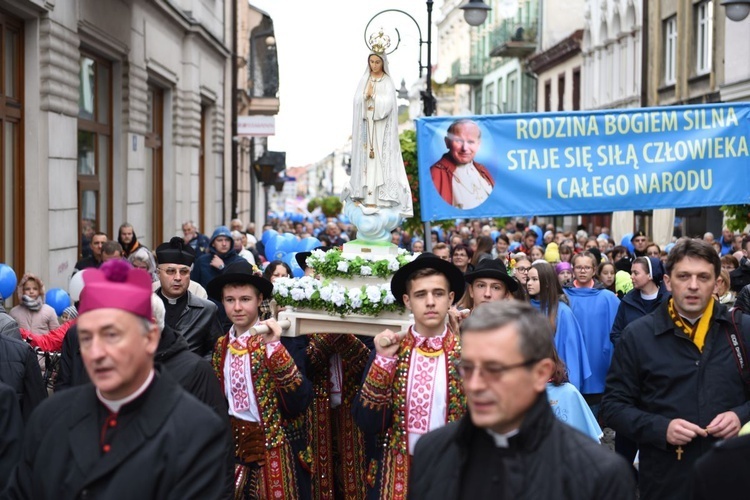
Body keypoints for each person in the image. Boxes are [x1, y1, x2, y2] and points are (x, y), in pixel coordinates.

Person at [6, 260, 231, 499]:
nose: (97, 352)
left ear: (150, 338)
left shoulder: (196, 431)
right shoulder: (49, 418)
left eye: (112, 335)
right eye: (86, 337)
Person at [408, 301, 635, 500]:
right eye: (468, 368)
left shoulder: (599, 473)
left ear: (539, 373)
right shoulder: (433, 451)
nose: (475, 384)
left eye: (494, 369)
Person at [601, 238, 750, 500]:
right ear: (668, 281)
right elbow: (613, 405)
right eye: (684, 276)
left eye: (703, 277)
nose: (693, 285)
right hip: (666, 480)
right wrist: (660, 428)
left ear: (717, 283)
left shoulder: (741, 329)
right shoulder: (638, 335)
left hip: (734, 477)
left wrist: (741, 415)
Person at [352, 253, 467, 499]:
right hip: (395, 474)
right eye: (420, 294)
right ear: (407, 301)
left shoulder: (467, 355)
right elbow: (367, 422)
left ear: (450, 299)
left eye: (437, 293)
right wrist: (383, 363)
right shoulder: (389, 351)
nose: (430, 302)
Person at [208, 260, 313, 499]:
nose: (237, 307)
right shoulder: (221, 346)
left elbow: (300, 399)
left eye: (245, 299)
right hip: (235, 451)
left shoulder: (278, 340)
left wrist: (274, 348)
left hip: (276, 450)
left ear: (259, 300)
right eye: (229, 300)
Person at [342, 37, 413, 217]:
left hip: (381, 130)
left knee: (380, 162)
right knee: (367, 163)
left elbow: (388, 103)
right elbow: (357, 101)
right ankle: (365, 196)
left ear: (383, 63)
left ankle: (380, 199)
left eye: (377, 62)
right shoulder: (364, 79)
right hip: (366, 128)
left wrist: (374, 98)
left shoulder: (387, 81)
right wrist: (364, 98)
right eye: (371, 62)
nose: (374, 65)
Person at [563, 251, 620, 415]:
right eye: (579, 267)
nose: (582, 271)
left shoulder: (609, 298)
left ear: (594, 270)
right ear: (573, 269)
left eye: (587, 267)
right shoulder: (561, 296)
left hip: (598, 369)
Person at [155, 237, 223, 359]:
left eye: (184, 272)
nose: (177, 277)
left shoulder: (207, 310)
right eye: (170, 271)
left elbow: (216, 351)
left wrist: (197, 369)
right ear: (158, 273)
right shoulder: (143, 308)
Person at [527, 262, 591, 391]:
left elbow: (571, 353)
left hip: (554, 384)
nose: (529, 283)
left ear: (546, 282)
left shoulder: (562, 312)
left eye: (534, 279)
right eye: (528, 279)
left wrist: (570, 388)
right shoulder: (524, 308)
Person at [430, 119, 494, 209]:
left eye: (471, 142)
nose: (465, 148)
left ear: (478, 144)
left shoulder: (482, 170)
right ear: (447, 142)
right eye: (458, 141)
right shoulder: (436, 173)